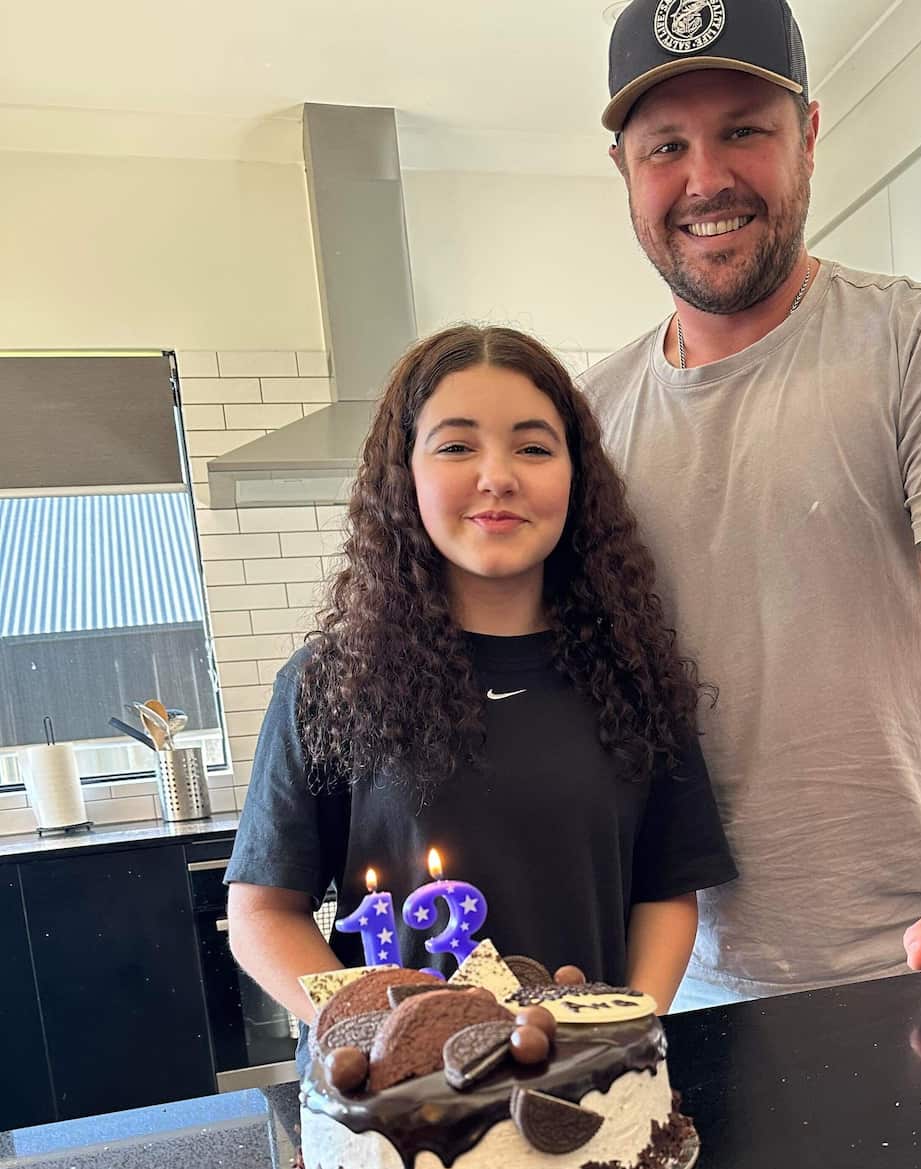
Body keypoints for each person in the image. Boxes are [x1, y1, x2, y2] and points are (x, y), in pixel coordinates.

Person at [583, 0, 921, 1008]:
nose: (705, 179)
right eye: (666, 145)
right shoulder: (584, 422)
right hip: (674, 989)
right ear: (624, 170)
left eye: (744, 128)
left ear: (808, 138)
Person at [224, 326, 737, 1030]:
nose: (497, 476)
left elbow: (666, 892)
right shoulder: (328, 684)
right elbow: (261, 912)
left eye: (532, 447)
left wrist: (624, 1031)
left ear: (576, 477)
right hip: (390, 1110)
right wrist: (373, 1034)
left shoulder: (635, 677)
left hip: (579, 1089)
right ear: (404, 473)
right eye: (457, 445)